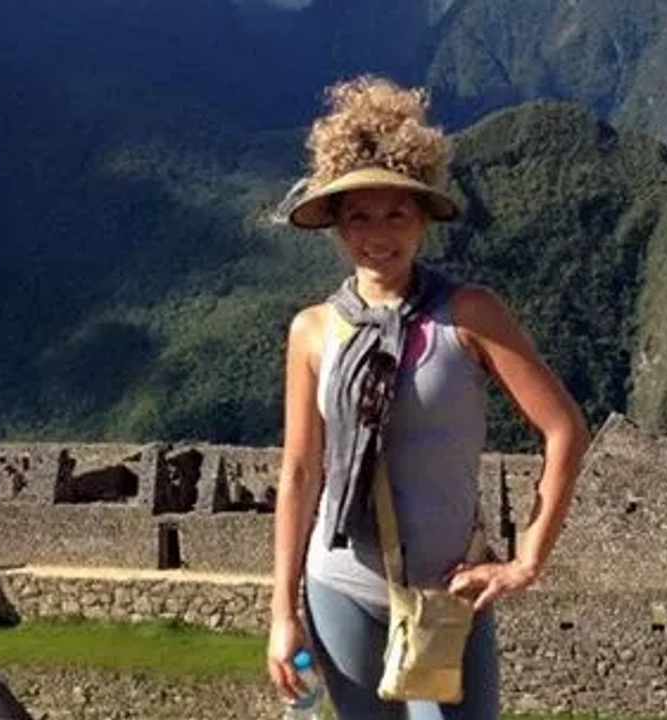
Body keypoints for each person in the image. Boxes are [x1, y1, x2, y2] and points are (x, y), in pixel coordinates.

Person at [267, 75, 590, 720]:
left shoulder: (468, 315)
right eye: (359, 215)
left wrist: (527, 560)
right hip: (338, 588)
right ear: (336, 225)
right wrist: (282, 612)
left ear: (422, 220)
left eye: (396, 214)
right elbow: (300, 473)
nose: (377, 234)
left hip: (447, 594)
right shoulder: (313, 331)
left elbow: (565, 430)